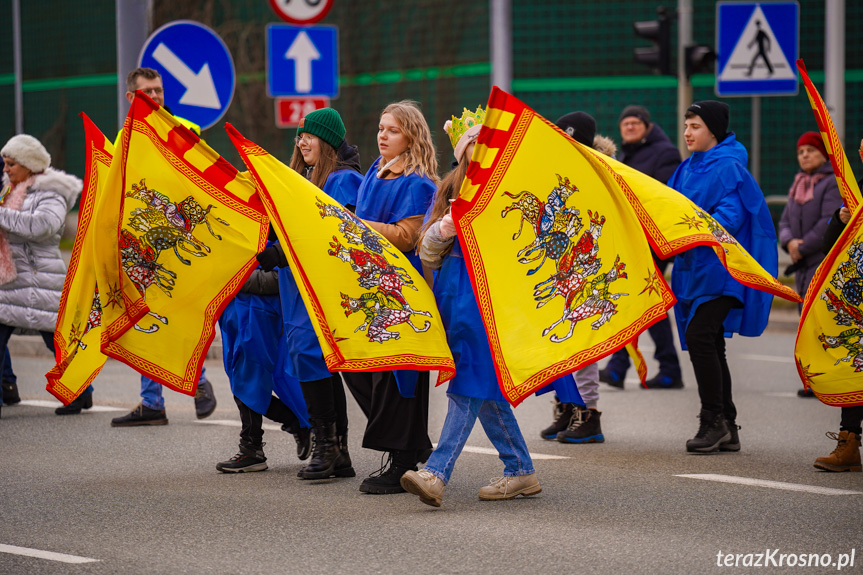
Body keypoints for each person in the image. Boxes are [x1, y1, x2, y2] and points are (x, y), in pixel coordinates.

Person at [400, 106, 541, 507]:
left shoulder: (510, 191)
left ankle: (437, 472)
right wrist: (443, 230)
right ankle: (521, 470)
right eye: (472, 146)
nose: (479, 152)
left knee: (467, 384)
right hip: (455, 303)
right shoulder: (448, 190)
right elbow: (427, 254)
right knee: (482, 389)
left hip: (488, 306)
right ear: (461, 154)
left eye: (485, 145)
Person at [254, 107, 363, 480]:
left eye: (310, 135)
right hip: (296, 285)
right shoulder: (303, 179)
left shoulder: (343, 180)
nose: (301, 141)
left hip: (319, 286)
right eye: (300, 135)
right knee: (315, 361)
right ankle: (338, 451)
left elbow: (334, 234)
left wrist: (282, 252)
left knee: (313, 357)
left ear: (327, 141)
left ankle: (327, 447)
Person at [667, 101, 778, 453]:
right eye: (686, 125)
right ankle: (728, 424)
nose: (687, 133)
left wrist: (690, 228)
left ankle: (712, 420)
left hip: (722, 272)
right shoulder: (686, 168)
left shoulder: (729, 166)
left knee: (701, 337)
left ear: (713, 130)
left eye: (695, 126)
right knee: (712, 343)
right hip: (693, 270)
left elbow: (729, 217)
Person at [341, 100, 438, 494]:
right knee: (359, 365)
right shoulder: (370, 173)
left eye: (392, 130)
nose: (383, 135)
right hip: (371, 288)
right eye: (381, 128)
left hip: (403, 292)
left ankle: (403, 458)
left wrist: (359, 226)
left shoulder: (419, 183)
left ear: (410, 136)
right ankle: (411, 445)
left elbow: (409, 236)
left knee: (400, 375)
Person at [110, 67, 216, 426]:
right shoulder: (122, 141)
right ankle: (152, 402)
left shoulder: (187, 130)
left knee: (180, 316)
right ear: (131, 97)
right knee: (146, 317)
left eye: (159, 91)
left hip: (179, 239)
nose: (155, 98)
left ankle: (198, 382)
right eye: (147, 92)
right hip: (141, 244)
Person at [538, 111, 617, 444]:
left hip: (587, 269)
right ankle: (568, 408)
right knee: (561, 343)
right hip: (562, 267)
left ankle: (589, 414)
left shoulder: (602, 173)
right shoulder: (557, 170)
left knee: (583, 345)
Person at [600, 105, 684, 390]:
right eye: (626, 123)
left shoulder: (665, 153)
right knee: (645, 300)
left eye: (636, 122)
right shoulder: (625, 155)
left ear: (647, 126)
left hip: (653, 240)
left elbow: (663, 196)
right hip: (632, 240)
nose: (631, 127)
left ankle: (618, 367)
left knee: (636, 298)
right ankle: (664, 368)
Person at [0, 134, 83, 418]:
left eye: (11, 164)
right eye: (5, 163)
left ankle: (79, 393)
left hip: (41, 279)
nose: (6, 169)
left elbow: (44, 226)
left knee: (56, 342)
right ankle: (6, 389)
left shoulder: (52, 192)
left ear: (28, 164)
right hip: (10, 280)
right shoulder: (8, 190)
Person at [215, 232, 313, 473]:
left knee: (249, 377)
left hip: (261, 309)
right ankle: (294, 423)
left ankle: (252, 447)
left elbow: (285, 271)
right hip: (234, 307)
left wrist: (236, 279)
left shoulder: (275, 210)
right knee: (240, 379)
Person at [779, 132, 843, 398]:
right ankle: (814, 380)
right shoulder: (799, 182)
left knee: (825, 328)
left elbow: (830, 222)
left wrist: (801, 247)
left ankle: (832, 382)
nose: (804, 155)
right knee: (808, 328)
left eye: (811, 150)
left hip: (820, 263)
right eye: (801, 151)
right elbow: (783, 221)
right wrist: (789, 242)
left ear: (823, 154)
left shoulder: (831, 184)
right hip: (803, 265)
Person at [814, 197, 861, 472]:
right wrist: (841, 219)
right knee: (856, 369)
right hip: (857, 302)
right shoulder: (856, 192)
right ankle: (849, 442)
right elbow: (828, 247)